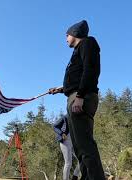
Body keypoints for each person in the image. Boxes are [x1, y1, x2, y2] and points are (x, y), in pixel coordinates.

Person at [49, 20, 105, 180]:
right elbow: (79, 76)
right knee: (81, 147)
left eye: (67, 35)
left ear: (75, 33)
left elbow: (90, 71)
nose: (65, 38)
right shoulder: (80, 49)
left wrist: (79, 96)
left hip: (82, 97)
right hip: (76, 95)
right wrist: (61, 89)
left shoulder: (88, 43)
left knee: (85, 145)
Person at [53, 115, 80, 180]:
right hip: (65, 142)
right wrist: (62, 133)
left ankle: (75, 176)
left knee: (82, 159)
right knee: (68, 163)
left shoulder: (78, 118)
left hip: (74, 142)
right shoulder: (65, 117)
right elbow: (55, 126)